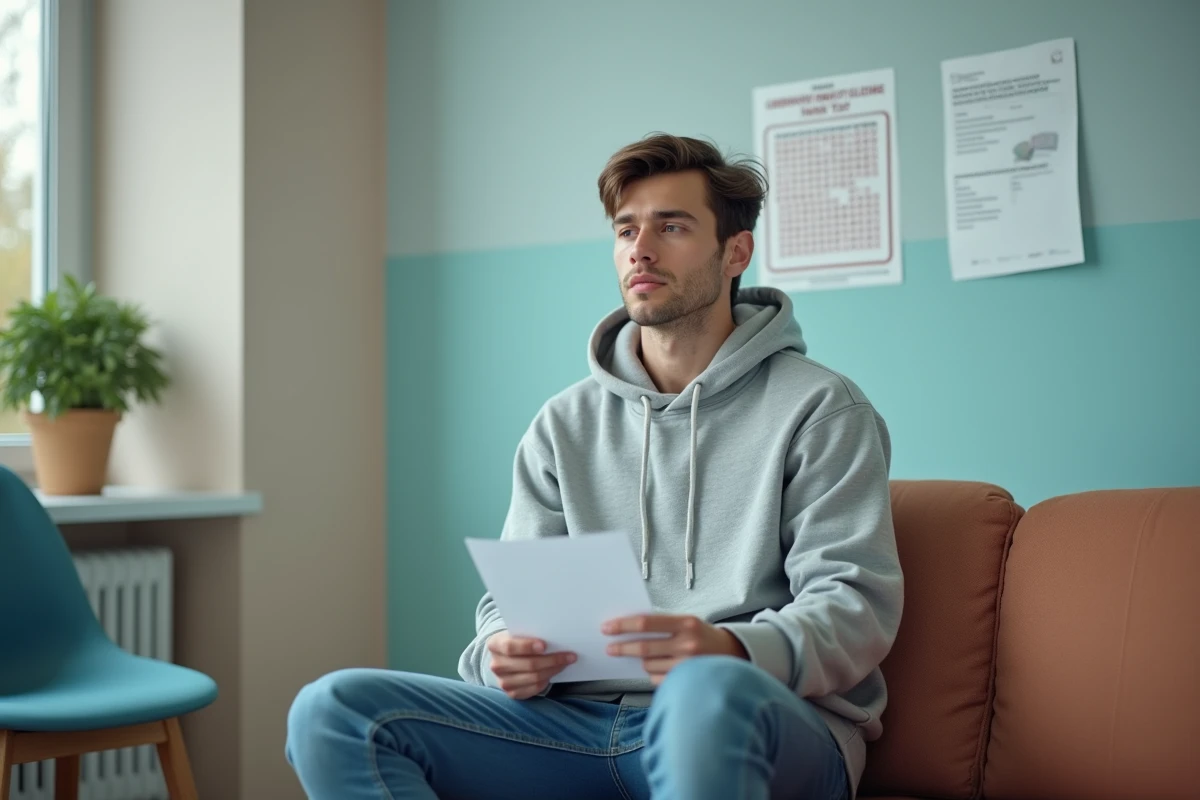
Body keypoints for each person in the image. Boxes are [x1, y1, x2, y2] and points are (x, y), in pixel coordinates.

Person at [286, 133, 904, 800]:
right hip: (571, 727)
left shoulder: (820, 408)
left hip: (754, 719)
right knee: (334, 710)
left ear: (736, 252)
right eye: (626, 230)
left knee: (705, 690)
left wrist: (729, 651)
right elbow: (507, 600)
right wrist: (503, 652)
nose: (640, 248)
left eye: (672, 226)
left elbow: (854, 607)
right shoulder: (563, 423)